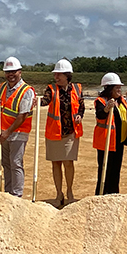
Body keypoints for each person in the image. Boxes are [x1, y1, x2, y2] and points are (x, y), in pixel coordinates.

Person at [40, 59, 85, 206]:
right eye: (55, 74)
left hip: (70, 132)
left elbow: (81, 106)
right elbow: (45, 101)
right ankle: (59, 193)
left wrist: (79, 115)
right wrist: (34, 100)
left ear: (67, 75)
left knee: (68, 163)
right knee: (56, 163)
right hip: (54, 132)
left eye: (59, 74)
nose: (56, 77)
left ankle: (70, 191)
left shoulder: (77, 89)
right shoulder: (51, 89)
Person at [0, 57, 34, 198]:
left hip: (18, 132)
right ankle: (8, 193)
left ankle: (17, 195)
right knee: (6, 164)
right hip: (2, 132)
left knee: (16, 163)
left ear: (19, 72)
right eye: (8, 72)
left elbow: (22, 115)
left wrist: (7, 132)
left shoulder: (26, 91)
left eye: (13, 71)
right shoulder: (2, 87)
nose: (10, 74)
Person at [94, 72, 127, 195]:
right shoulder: (101, 101)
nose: (119, 90)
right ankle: (101, 195)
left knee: (116, 171)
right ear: (109, 88)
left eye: (120, 87)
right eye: (117, 87)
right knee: (105, 171)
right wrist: (107, 108)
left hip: (119, 142)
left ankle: (113, 194)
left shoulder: (122, 101)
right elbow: (100, 114)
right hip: (106, 142)